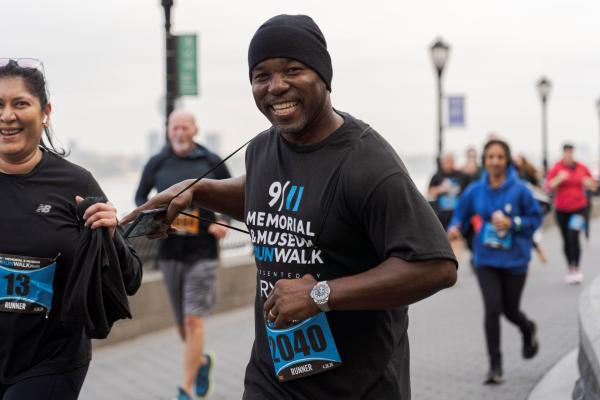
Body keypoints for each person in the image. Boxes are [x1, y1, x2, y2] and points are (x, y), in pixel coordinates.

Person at [123, 14, 457, 400]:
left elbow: (435, 266)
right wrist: (195, 191)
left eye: (292, 70)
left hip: (359, 384)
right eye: (261, 75)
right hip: (272, 377)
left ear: (324, 76)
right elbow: (265, 192)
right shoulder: (264, 148)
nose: (276, 86)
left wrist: (320, 295)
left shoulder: (367, 161)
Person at [0, 58, 142, 399]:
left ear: (45, 111)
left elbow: (132, 277)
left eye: (20, 103)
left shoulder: (76, 184)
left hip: (50, 361)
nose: (7, 116)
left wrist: (111, 237)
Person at [134, 109, 231, 400]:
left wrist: (224, 222)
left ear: (195, 129)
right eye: (175, 127)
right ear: (168, 131)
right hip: (169, 251)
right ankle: (201, 361)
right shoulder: (158, 162)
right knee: (181, 324)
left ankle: (186, 390)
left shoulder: (210, 161)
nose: (179, 132)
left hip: (203, 252)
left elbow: (234, 195)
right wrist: (155, 218)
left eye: (185, 127)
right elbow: (141, 197)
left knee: (193, 321)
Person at [448, 139, 543, 385]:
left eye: (500, 157)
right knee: (492, 309)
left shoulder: (520, 189)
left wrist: (515, 223)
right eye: (490, 156)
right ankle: (495, 366)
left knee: (510, 310)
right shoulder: (475, 191)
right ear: (485, 160)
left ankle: (527, 328)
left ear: (507, 160)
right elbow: (461, 213)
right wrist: (455, 227)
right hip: (486, 258)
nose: (495, 161)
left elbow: (536, 217)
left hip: (514, 260)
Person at [545, 143, 598, 284]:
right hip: (562, 210)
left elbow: (593, 184)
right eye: (566, 152)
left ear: (573, 152)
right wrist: (559, 178)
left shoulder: (581, 167)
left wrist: (589, 182)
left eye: (570, 151)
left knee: (573, 235)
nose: (568, 154)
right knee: (566, 239)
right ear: (563, 153)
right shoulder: (557, 168)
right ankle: (570, 266)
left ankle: (577, 267)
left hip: (579, 208)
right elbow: (548, 186)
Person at [513, 154, 549, 263]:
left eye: (519, 160)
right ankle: (534, 253)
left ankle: (538, 250)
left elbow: (539, 189)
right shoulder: (511, 177)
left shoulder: (529, 174)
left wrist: (531, 188)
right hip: (518, 210)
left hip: (531, 205)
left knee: (533, 231)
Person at [427, 153, 471, 229]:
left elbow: (469, 191)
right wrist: (441, 189)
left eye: (449, 161)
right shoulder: (437, 176)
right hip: (442, 212)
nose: (447, 164)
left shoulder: (462, 176)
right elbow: (429, 192)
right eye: (445, 162)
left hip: (457, 212)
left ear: (453, 162)